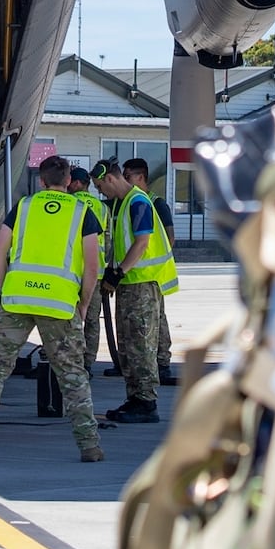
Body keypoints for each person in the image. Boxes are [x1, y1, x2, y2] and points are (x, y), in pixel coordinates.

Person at [0, 155, 104, 462]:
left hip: (17, 299)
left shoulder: (23, 207)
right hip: (60, 304)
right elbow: (92, 266)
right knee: (72, 374)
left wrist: (4, 288)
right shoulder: (82, 212)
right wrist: (84, 304)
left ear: (41, 181)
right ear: (69, 182)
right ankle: (89, 444)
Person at [92, 157, 177, 423]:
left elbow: (142, 242)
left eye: (99, 186)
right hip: (129, 284)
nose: (99, 191)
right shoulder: (119, 205)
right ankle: (135, 398)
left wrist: (118, 272)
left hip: (142, 283)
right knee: (128, 345)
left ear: (110, 178)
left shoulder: (138, 201)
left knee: (141, 344)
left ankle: (146, 402)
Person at [123, 157, 180, 386]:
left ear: (141, 178)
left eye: (128, 177)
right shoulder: (131, 201)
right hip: (141, 274)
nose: (125, 181)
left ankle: (162, 363)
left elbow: (169, 238)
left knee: (158, 321)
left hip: (153, 275)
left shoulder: (155, 203)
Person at [66, 165, 111, 373]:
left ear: (76, 184)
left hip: (72, 272)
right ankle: (87, 363)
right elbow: (108, 241)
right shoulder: (102, 208)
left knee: (66, 317)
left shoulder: (71, 203)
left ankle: (66, 360)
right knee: (92, 321)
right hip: (97, 273)